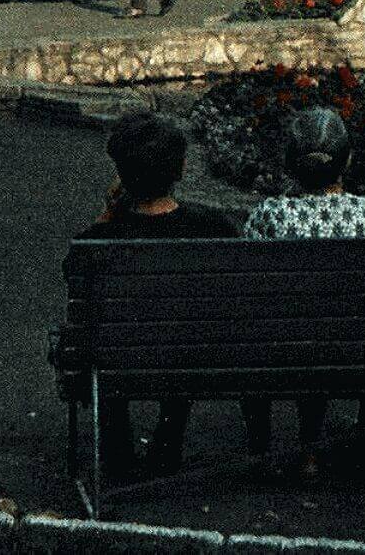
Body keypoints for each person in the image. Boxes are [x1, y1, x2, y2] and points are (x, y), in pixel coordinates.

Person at [75, 113, 235, 478]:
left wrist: (106, 216)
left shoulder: (96, 241)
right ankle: (168, 440)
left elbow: (75, 279)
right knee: (184, 334)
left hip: (117, 360)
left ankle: (117, 450)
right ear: (178, 170)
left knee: (108, 340)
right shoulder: (214, 228)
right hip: (197, 360)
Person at [241, 109, 365, 480]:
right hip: (355, 350)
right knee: (323, 328)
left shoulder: (271, 215)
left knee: (293, 329)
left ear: (290, 163)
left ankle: (262, 450)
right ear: (348, 160)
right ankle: (311, 451)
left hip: (281, 350)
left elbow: (249, 287)